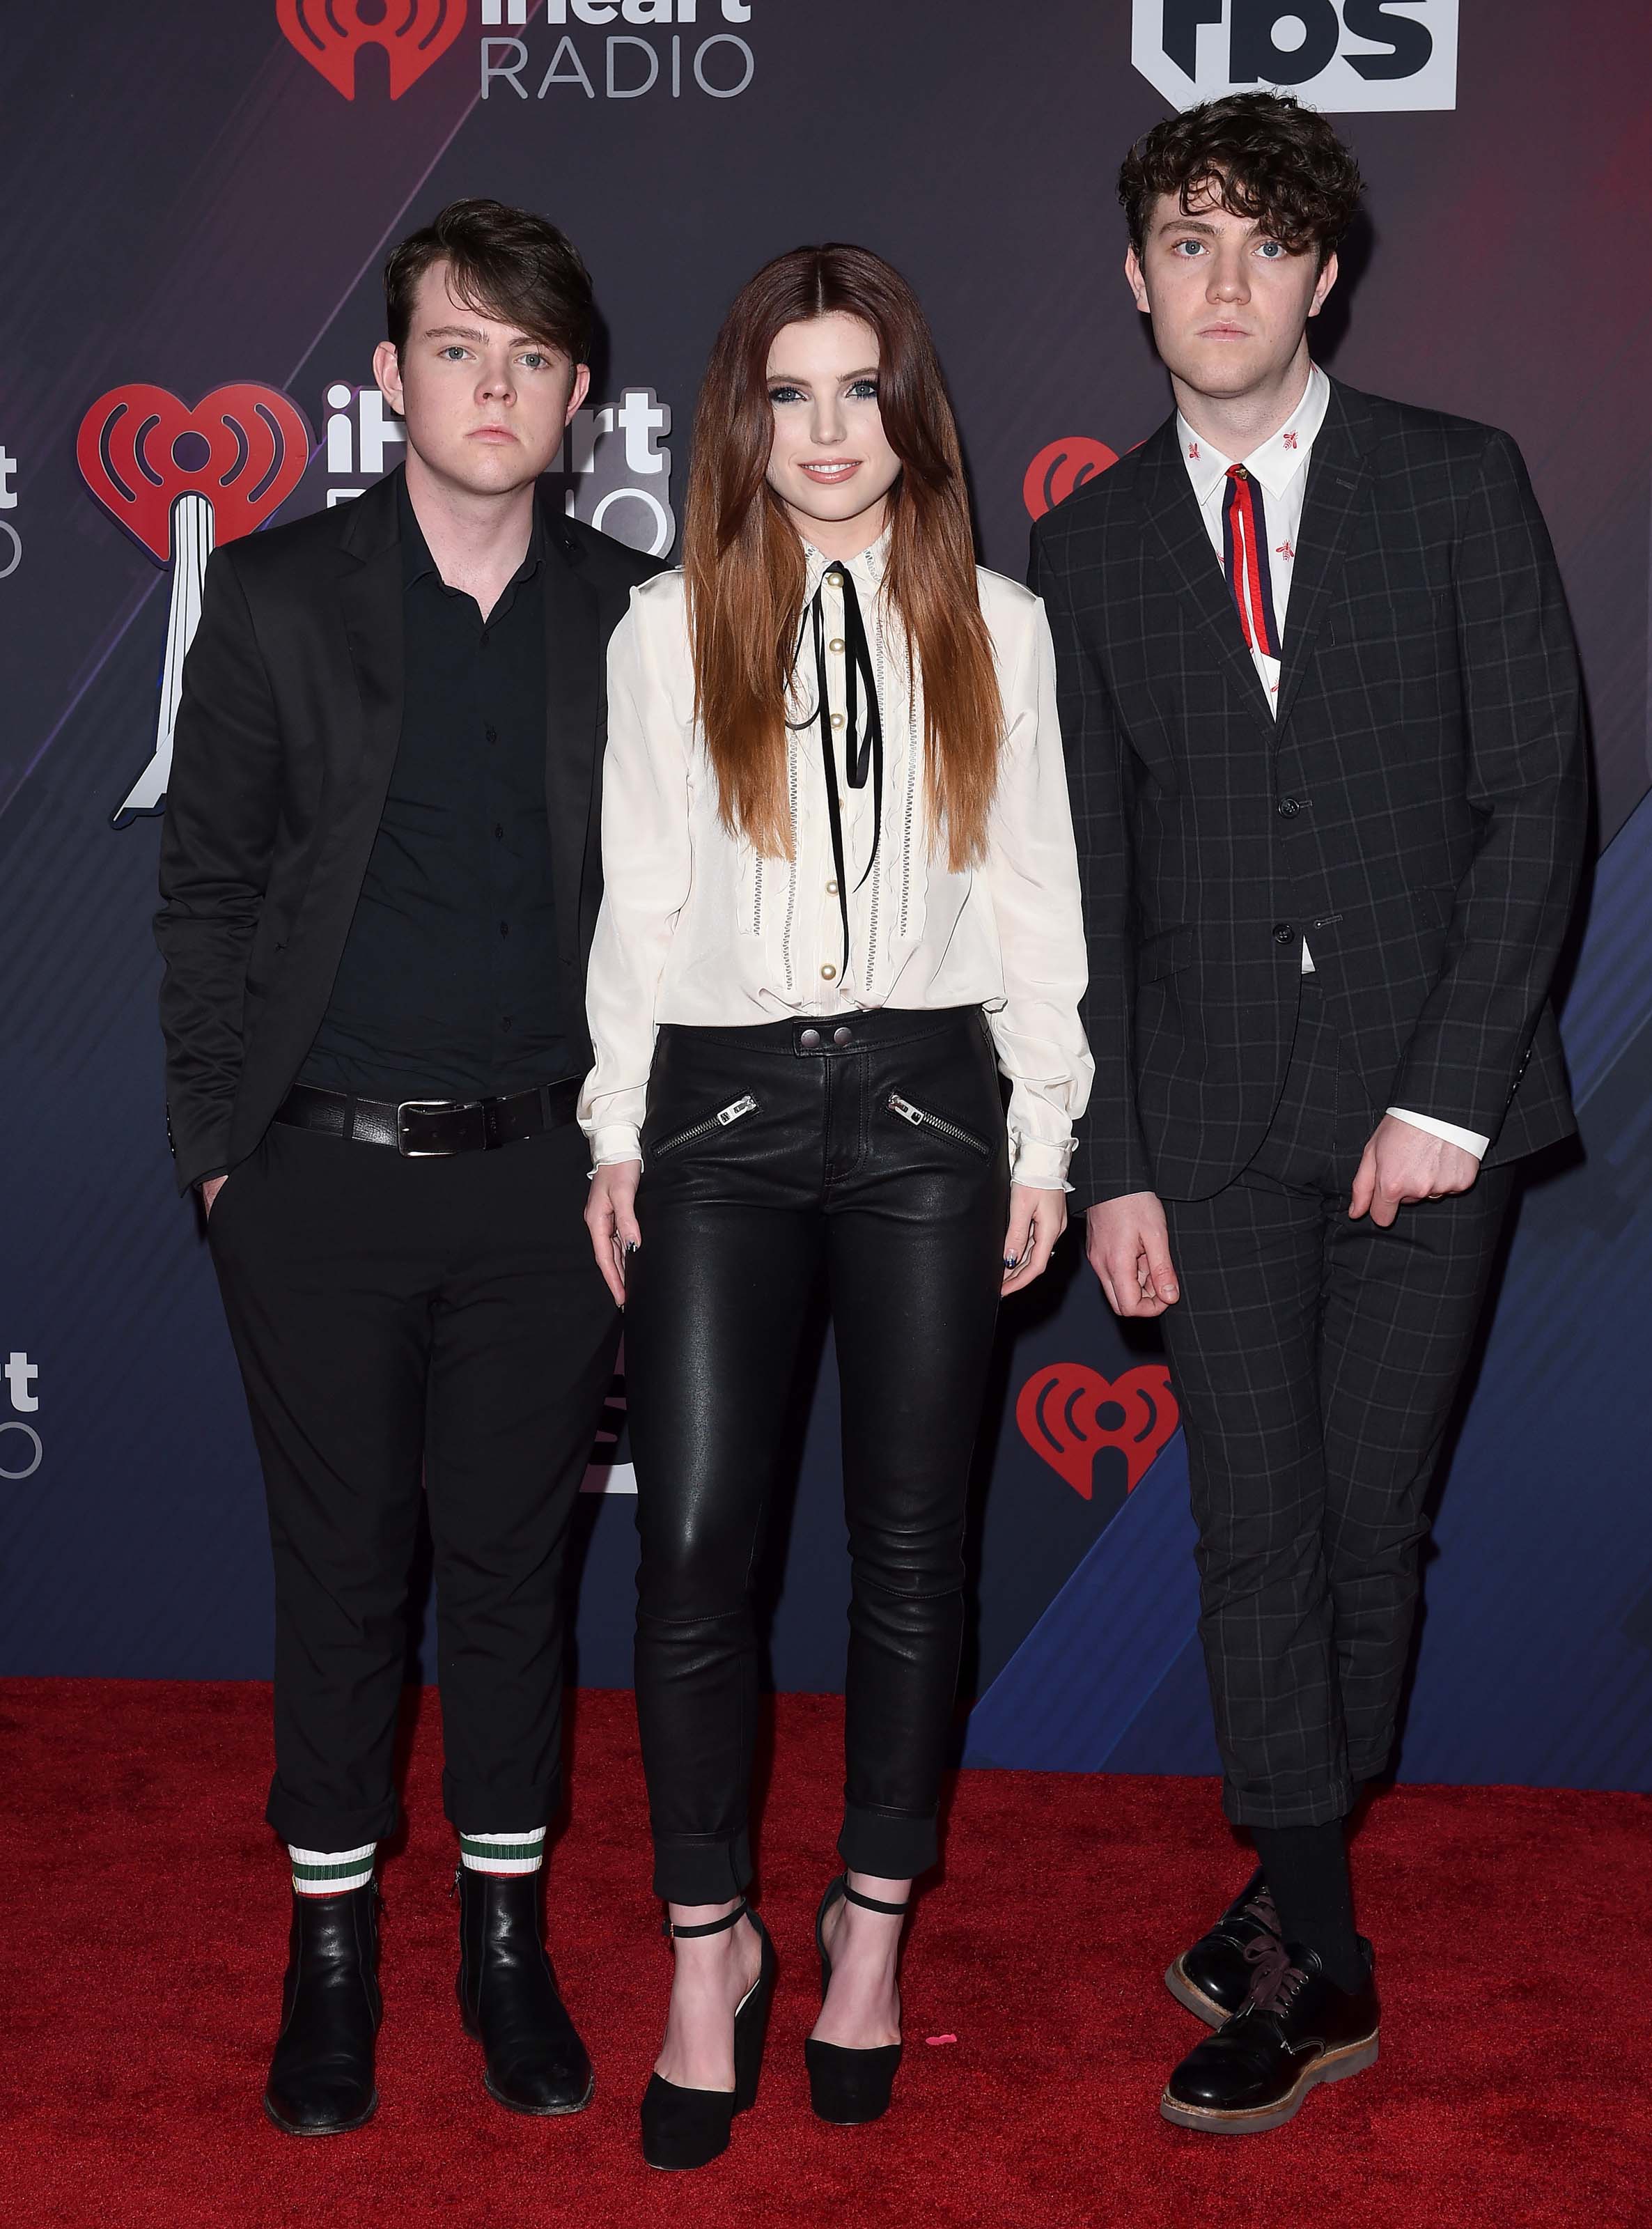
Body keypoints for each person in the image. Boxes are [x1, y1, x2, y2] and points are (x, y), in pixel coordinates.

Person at [1033, 93, 1587, 2134]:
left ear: (1322, 274)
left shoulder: (1453, 483)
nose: (1225, 280)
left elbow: (1535, 800)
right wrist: (1111, 1159)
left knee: (1372, 1529)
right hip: (1204, 1122)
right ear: (1135, 275)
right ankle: (1321, 1961)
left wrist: (1448, 1091)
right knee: (1254, 1535)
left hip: (1427, 1107)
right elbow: (1079, 875)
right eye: (1187, 241)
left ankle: (1285, 1873)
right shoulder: (1080, 546)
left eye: (1264, 243)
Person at [581, 243, 1091, 2169]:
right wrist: (617, 1126)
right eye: (785, 396)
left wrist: (1041, 1133)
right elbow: (633, 900)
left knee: (909, 1548)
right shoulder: (663, 629)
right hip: (713, 1107)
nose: (819, 433)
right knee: (696, 1542)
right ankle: (710, 1945)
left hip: (926, 1112)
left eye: (854, 391)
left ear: (906, 410)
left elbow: (1034, 898)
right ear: (742, 419)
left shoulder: (1005, 630)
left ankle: (869, 1931)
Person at [155, 199, 660, 2136]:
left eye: (531, 360)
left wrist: (640, 1159)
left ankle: (507, 1951)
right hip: (315, 1188)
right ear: (388, 380)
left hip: (545, 1192)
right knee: (343, 1582)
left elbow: (678, 925)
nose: (494, 387)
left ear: (575, 400)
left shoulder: (635, 616)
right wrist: (217, 1156)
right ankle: (333, 1960)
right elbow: (199, 897)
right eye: (458, 349)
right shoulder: (277, 603)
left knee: (519, 1583)